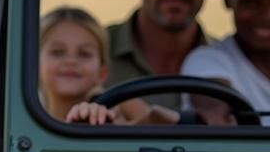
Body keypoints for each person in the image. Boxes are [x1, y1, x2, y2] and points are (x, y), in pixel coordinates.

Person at [40, 7, 177, 126]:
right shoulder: (25, 118)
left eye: (84, 54)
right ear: (34, 66)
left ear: (102, 73)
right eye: (57, 52)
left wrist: (117, 123)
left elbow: (160, 124)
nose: (71, 61)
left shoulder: (120, 107)